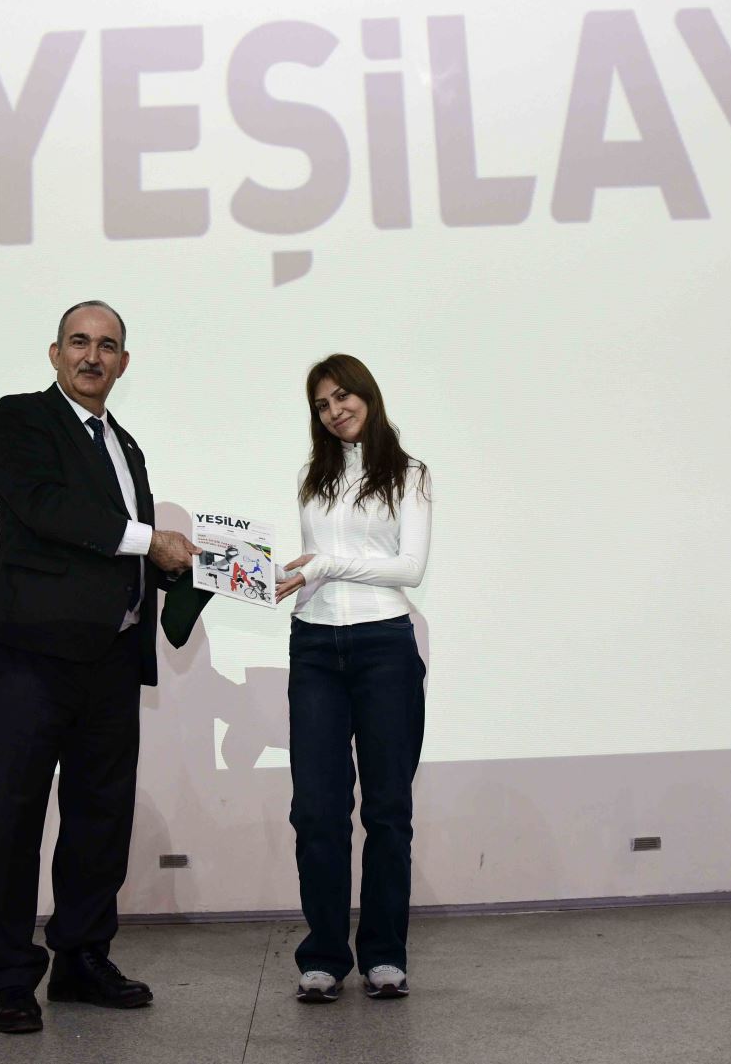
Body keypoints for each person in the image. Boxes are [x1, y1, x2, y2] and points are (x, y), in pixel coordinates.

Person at [0, 300, 199, 1034]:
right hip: (32, 655)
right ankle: (11, 976)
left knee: (101, 817)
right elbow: (48, 509)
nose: (92, 355)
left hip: (111, 658)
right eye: (79, 341)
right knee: (13, 814)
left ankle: (80, 957)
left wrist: (197, 569)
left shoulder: (126, 446)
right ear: (55, 352)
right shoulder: (20, 419)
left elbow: (125, 553)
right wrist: (150, 541)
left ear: (123, 364)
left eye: (107, 346)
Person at [275, 354, 431, 1004]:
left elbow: (410, 568)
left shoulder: (409, 474)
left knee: (388, 809)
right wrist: (274, 574)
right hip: (314, 644)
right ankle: (323, 956)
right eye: (322, 403)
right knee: (316, 811)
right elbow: (315, 563)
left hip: (384, 644)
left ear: (367, 394)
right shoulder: (312, 476)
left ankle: (385, 955)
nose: (335, 410)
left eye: (343, 396)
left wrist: (325, 565)